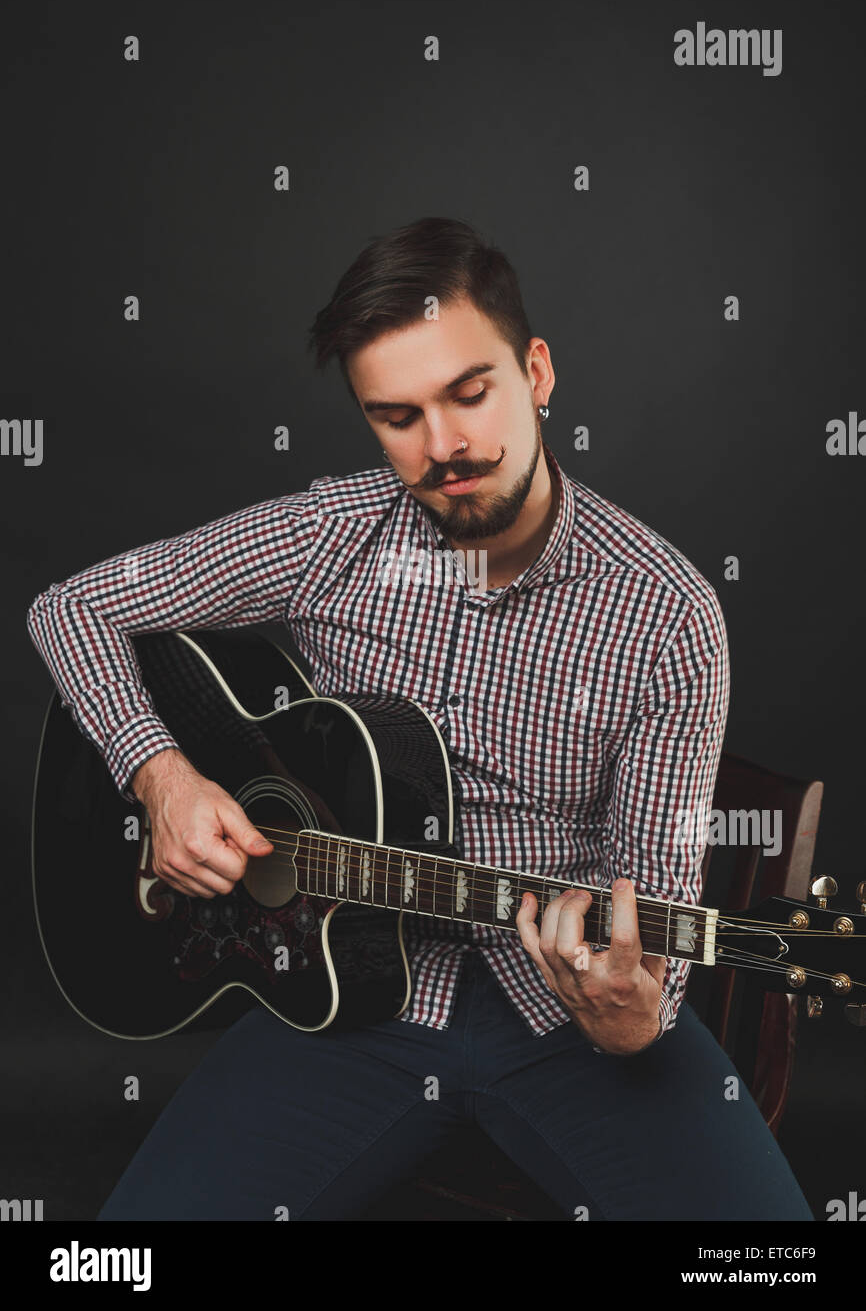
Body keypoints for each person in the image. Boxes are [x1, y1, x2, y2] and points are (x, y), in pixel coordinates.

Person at [26, 217, 813, 1220]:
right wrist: (162, 777)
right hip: (346, 995)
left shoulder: (665, 612)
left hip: (563, 1019)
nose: (441, 447)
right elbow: (71, 605)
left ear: (534, 371)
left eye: (467, 393)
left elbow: (648, 932)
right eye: (396, 416)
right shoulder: (331, 532)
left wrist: (627, 1020)